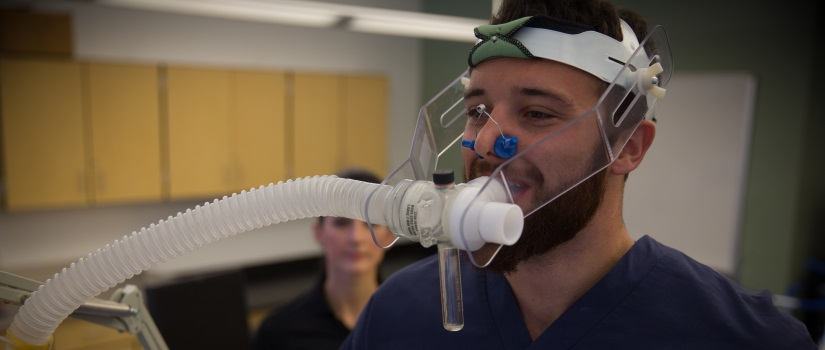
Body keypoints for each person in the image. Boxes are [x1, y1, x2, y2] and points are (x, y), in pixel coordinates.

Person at [341, 0, 816, 348]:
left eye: (537, 113)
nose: (485, 142)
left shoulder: (744, 339)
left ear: (628, 147)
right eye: (478, 110)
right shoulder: (399, 313)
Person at [253, 169, 392, 350]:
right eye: (341, 223)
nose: (356, 237)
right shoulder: (279, 332)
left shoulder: (411, 320)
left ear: (389, 235)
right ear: (319, 233)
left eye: (372, 223)